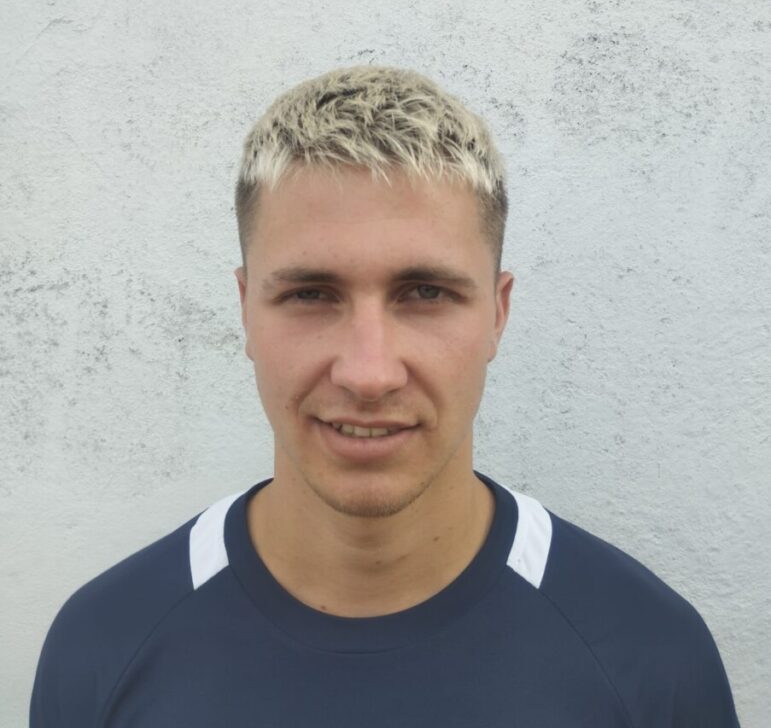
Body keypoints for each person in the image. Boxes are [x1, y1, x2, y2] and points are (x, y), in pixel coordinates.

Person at [30, 66, 739, 727]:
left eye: (425, 292)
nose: (369, 374)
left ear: (497, 314)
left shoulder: (649, 658)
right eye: (310, 294)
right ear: (245, 310)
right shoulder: (103, 647)